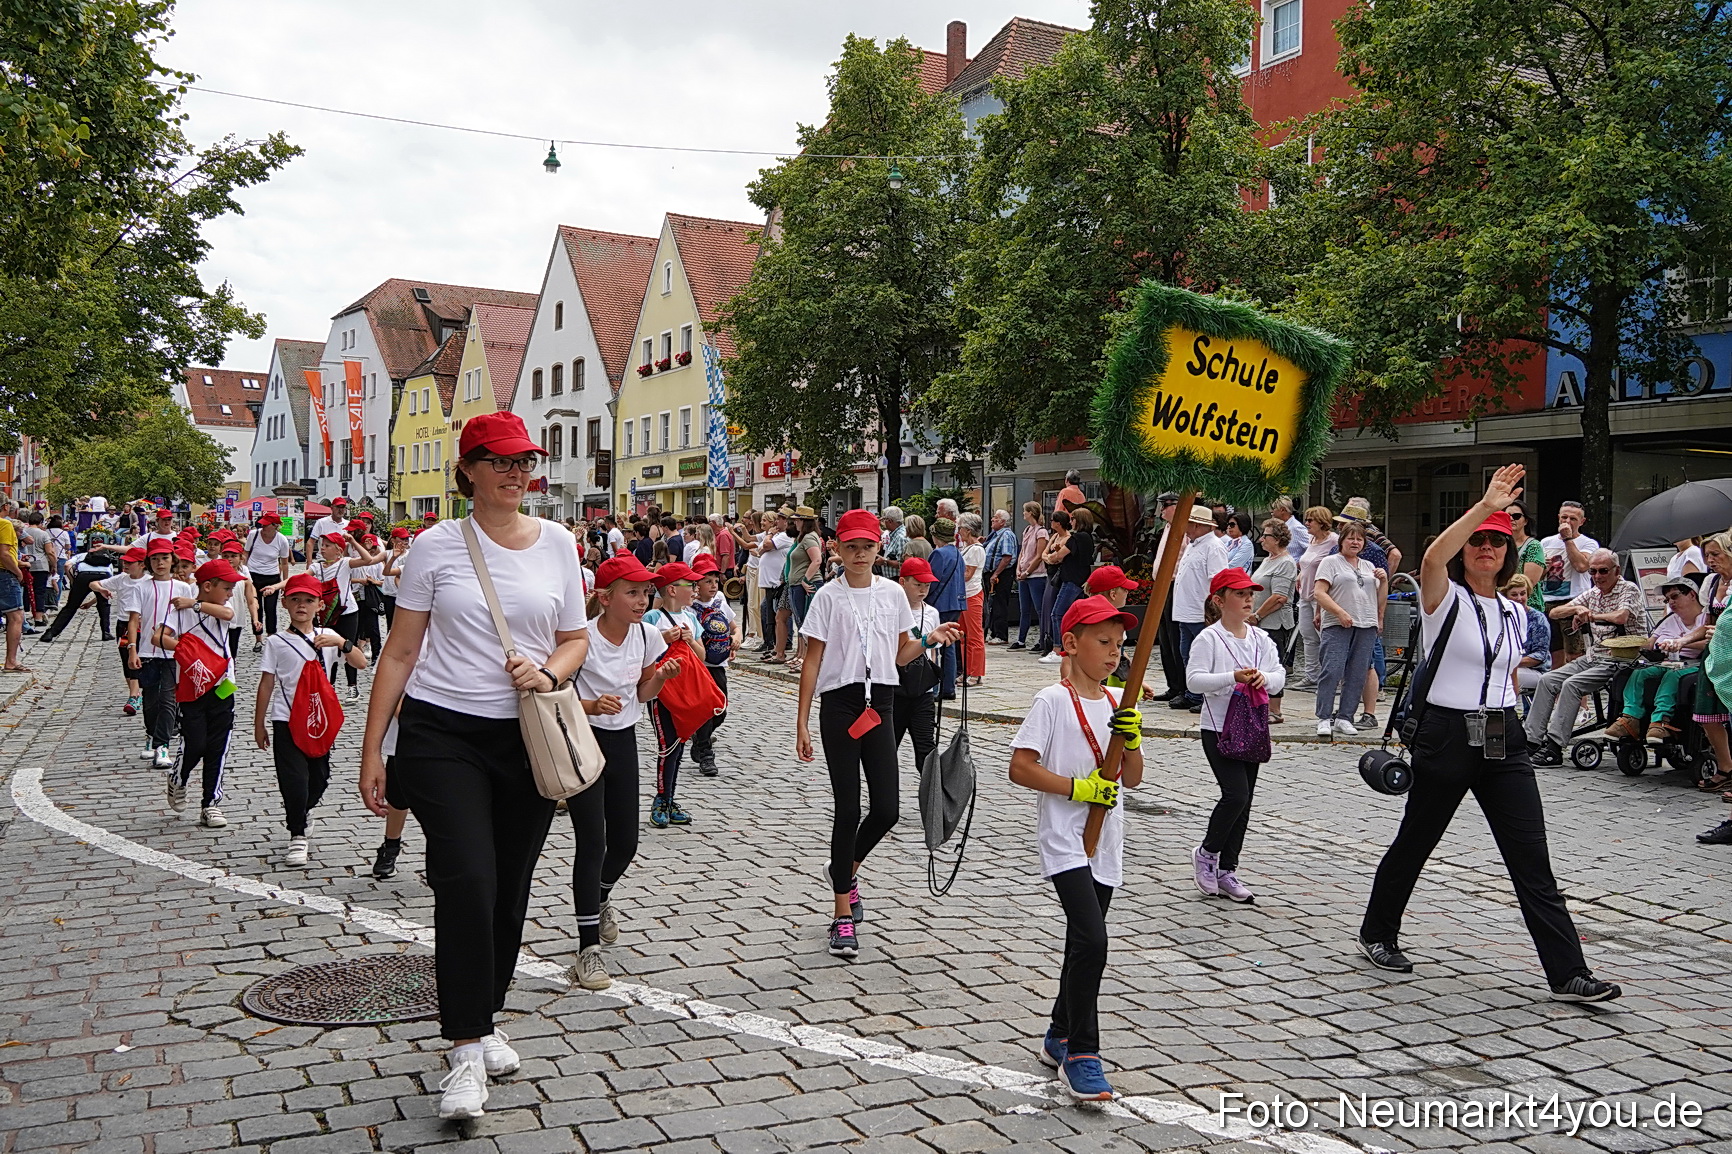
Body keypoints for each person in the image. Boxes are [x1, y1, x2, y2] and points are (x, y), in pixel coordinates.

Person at [357, 411, 592, 1121]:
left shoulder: (557, 542)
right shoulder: (435, 546)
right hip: (441, 733)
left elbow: (575, 638)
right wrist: (374, 748)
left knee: (509, 888)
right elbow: (399, 651)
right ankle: (463, 1051)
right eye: (500, 462)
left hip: (524, 737)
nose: (517, 474)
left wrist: (549, 674)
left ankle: (484, 1017)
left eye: (525, 462)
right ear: (469, 471)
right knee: (469, 878)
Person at [1359, 464, 1622, 1004]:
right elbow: (1432, 556)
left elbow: (1506, 671)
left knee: (1531, 856)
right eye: (1479, 541)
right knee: (1417, 840)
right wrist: (1485, 506)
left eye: (1497, 542)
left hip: (1503, 734)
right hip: (1447, 732)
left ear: (1508, 554)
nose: (1486, 548)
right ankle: (1377, 931)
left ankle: (1568, 972)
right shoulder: (1444, 597)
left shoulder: (1513, 610)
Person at [795, 509, 960, 959]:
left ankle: (842, 869)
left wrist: (931, 640)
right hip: (841, 705)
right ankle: (842, 915)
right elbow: (812, 660)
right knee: (848, 808)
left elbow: (901, 653)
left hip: (881, 702)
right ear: (838, 549)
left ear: (877, 549)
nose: (860, 554)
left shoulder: (892, 596)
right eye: (851, 547)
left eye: (867, 546)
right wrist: (802, 721)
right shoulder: (827, 597)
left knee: (886, 808)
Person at [1007, 595, 1144, 1102]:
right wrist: (1077, 788)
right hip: (1065, 838)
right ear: (1072, 643)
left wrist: (1130, 741)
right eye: (1103, 642)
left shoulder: (1116, 703)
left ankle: (1058, 1033)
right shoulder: (1053, 700)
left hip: (1105, 840)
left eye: (1119, 644)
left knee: (1080, 945)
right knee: (1094, 940)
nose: (1114, 653)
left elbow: (1133, 777)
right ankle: (1083, 1053)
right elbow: (1020, 767)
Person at [570, 554, 679, 989]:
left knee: (626, 844)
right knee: (592, 842)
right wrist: (592, 706)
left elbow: (643, 691)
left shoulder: (649, 636)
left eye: (645, 592)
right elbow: (551, 699)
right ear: (605, 597)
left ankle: (598, 898)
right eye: (632, 592)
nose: (642, 600)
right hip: (582, 741)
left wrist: (663, 678)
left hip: (623, 742)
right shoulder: (581, 640)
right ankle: (587, 947)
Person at [1187, 569, 1285, 903]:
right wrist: (1232, 677)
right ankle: (1207, 852)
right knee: (1236, 794)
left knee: (1245, 803)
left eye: (1250, 594)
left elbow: (1278, 674)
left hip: (1252, 728)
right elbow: (1194, 680)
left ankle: (1228, 868)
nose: (1248, 600)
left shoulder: (1259, 638)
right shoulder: (1209, 639)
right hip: (1218, 728)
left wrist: (1263, 680)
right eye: (1240, 594)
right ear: (1219, 600)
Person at [1525, 548, 1644, 765]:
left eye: (1603, 571)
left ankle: (1554, 747)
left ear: (1616, 570)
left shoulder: (1628, 589)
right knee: (1547, 680)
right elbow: (1553, 612)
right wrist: (1578, 608)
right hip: (1594, 656)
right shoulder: (1593, 593)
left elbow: (1621, 616)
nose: (1597, 577)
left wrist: (1590, 616)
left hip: (1622, 659)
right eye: (1593, 572)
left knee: (1571, 685)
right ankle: (1531, 741)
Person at [156, 559, 242, 828]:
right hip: (193, 685)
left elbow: (228, 616)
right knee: (196, 743)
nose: (230, 593)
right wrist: (187, 652)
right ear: (207, 586)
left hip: (223, 684)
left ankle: (210, 804)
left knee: (218, 746)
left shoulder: (220, 608)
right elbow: (157, 636)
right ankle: (178, 777)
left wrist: (194, 604)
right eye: (226, 587)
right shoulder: (179, 612)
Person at [1604, 575, 1706, 743]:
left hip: (1697, 663)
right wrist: (1625, 647)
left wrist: (1679, 643)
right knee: (1639, 672)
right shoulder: (1669, 620)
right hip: (1670, 661)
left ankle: (1660, 721)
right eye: (1667, 600)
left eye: (1675, 596)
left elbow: (1709, 643)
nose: (1671, 602)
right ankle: (1630, 718)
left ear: (1692, 595)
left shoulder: (1705, 618)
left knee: (1673, 676)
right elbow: (1650, 643)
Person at [1312, 522, 1386, 738]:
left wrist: (1384, 581)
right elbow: (1319, 592)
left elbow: (1379, 599)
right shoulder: (1330, 562)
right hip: (1338, 625)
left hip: (1366, 624)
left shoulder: (1368, 566)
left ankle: (1346, 717)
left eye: (1359, 539)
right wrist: (1339, 613)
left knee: (1357, 673)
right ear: (1342, 540)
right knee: (1332, 670)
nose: (1355, 542)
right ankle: (1324, 717)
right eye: (1351, 538)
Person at [644, 561, 702, 828]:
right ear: (671, 590)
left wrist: (690, 640)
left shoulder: (691, 618)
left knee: (678, 744)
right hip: (662, 691)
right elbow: (641, 653)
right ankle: (661, 798)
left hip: (685, 691)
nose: (694, 588)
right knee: (667, 745)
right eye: (688, 584)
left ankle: (670, 797)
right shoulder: (652, 619)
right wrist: (662, 638)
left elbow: (702, 656)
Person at [306, 530, 386, 701]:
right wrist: (277, 587)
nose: (322, 549)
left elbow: (367, 559)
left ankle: (352, 686)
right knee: (328, 648)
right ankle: (330, 685)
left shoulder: (345, 563)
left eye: (327, 546)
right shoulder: (317, 567)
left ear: (338, 550)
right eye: (322, 545)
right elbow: (300, 579)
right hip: (326, 613)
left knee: (348, 648)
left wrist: (352, 542)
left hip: (348, 612)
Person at [1170, 505, 1229, 709]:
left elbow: (1218, 581)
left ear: (1196, 525)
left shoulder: (1213, 546)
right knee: (1187, 655)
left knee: (1203, 656)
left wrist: (1213, 611)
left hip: (1199, 613)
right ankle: (1193, 694)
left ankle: (1204, 696)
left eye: (1187, 523)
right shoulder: (1194, 545)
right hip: (1186, 611)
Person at [891, 556, 942, 771]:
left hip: (922, 692)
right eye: (917, 584)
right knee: (887, 747)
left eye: (927, 586)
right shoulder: (891, 610)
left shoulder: (931, 613)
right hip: (894, 690)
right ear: (903, 582)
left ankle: (932, 798)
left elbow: (933, 654)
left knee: (926, 748)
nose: (922, 590)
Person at [688, 553, 737, 778]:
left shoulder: (720, 601)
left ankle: (699, 738)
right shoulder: (689, 606)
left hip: (719, 663)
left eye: (715, 581)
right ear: (696, 583)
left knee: (721, 710)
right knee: (706, 709)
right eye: (707, 580)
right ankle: (707, 754)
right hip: (699, 665)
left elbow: (733, 626)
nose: (713, 585)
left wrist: (736, 638)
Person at [1249, 521, 1297, 724]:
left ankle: (1275, 710)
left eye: (1265, 536)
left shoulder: (1285, 563)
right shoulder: (1269, 560)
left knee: (1273, 664)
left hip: (1274, 623)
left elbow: (1279, 597)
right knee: (1259, 663)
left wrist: (1257, 616)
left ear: (1277, 539)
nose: (1261, 539)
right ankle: (1261, 704)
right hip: (1260, 622)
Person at [1539, 501, 1599, 663]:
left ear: (1582, 522)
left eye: (1573, 518)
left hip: (1573, 601)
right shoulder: (1545, 542)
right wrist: (1544, 567)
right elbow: (1537, 575)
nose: (1567, 521)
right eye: (1564, 517)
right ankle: (1555, 687)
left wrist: (1568, 539)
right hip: (1548, 601)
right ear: (1558, 518)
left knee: (1574, 653)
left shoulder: (1588, 543)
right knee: (1554, 653)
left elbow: (1581, 566)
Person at [1292, 506, 1338, 690]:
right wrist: (1301, 575)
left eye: (1311, 520)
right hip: (1305, 594)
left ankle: (1334, 677)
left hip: (1322, 596)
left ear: (1322, 522)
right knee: (1307, 635)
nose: (1307, 524)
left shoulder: (1333, 541)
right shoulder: (1312, 539)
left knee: (1325, 636)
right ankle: (1312, 675)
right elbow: (1307, 563)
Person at [927, 518, 968, 696]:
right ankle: (949, 687)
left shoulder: (939, 554)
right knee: (949, 644)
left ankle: (936, 688)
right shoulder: (958, 553)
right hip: (956, 603)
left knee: (936, 644)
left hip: (940, 603)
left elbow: (932, 581)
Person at [243, 513, 294, 639]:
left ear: (275, 526)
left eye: (266, 524)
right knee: (256, 608)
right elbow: (245, 553)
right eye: (263, 523)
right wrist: (243, 572)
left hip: (272, 576)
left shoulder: (281, 540)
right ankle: (258, 638)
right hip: (253, 574)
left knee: (271, 609)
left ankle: (271, 637)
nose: (263, 526)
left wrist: (284, 583)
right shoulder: (253, 535)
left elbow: (284, 563)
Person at [785, 508, 823, 674]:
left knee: (807, 623)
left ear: (805, 522)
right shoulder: (802, 538)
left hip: (807, 586)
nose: (795, 523)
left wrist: (805, 579)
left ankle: (807, 659)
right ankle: (802, 656)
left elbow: (817, 560)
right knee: (801, 622)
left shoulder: (809, 538)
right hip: (797, 585)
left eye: (798, 520)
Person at [1503, 573, 1552, 693]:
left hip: (1537, 671)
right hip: (1508, 667)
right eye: (1514, 594)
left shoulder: (1538, 619)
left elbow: (1540, 655)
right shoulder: (1501, 616)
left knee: (1504, 677)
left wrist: (1509, 662)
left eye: (1523, 593)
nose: (1519, 598)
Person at [754, 509, 792, 662]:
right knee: (769, 612)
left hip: (777, 581)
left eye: (781, 518)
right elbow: (761, 549)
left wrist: (769, 534)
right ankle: (773, 646)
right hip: (770, 581)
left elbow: (766, 545)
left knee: (777, 615)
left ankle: (779, 646)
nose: (778, 521)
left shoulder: (784, 536)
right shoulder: (779, 535)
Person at [1010, 502, 1049, 652]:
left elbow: (1039, 555)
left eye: (1025, 511)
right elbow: (1023, 551)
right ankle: (1021, 639)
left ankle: (1043, 639)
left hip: (1036, 575)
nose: (1023, 514)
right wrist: (1019, 568)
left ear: (1031, 513)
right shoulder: (1027, 530)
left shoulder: (1041, 532)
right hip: (1024, 573)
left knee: (1039, 609)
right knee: (1023, 608)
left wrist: (1028, 571)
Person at [956, 513, 988, 686]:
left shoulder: (976, 549)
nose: (959, 531)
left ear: (968, 530)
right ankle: (967, 670)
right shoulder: (966, 548)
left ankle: (975, 673)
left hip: (972, 594)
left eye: (961, 528)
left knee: (975, 635)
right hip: (964, 595)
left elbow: (967, 574)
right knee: (963, 636)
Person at [982, 509, 1017, 645]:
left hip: (1001, 574)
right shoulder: (994, 535)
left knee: (999, 603)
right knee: (993, 604)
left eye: (995, 518)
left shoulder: (1006, 535)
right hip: (991, 573)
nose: (992, 520)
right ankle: (994, 632)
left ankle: (1001, 635)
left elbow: (1007, 557)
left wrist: (996, 573)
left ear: (1003, 522)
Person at [1506, 500, 1545, 609]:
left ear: (1526, 521)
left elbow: (1529, 582)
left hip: (1527, 606)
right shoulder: (1499, 544)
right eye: (1507, 516)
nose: (1511, 519)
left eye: (1516, 516)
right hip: (1503, 604)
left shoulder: (1534, 546)